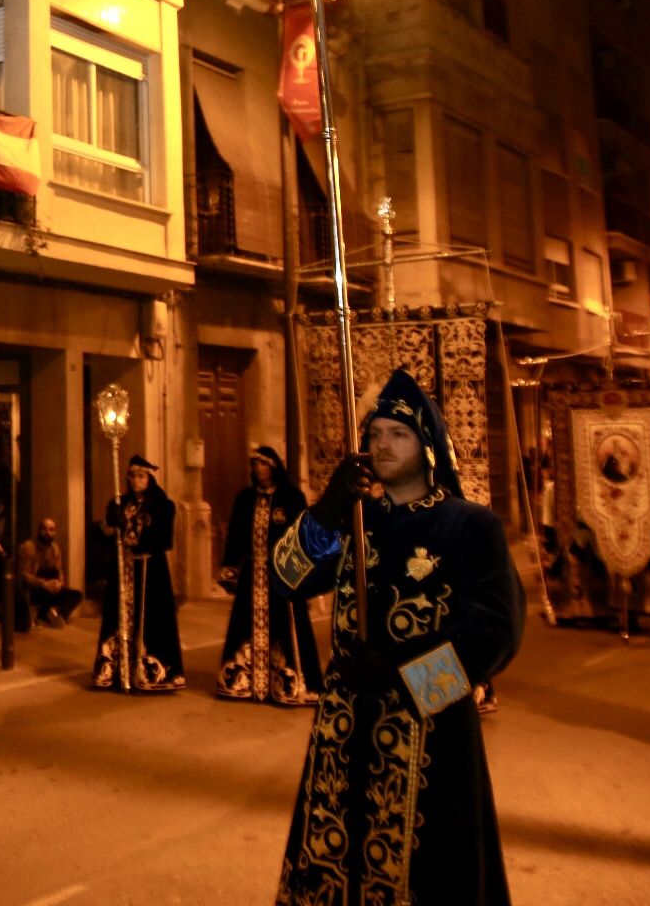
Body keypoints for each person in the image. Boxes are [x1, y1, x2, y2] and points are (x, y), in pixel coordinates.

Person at [270, 368, 523, 905]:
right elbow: (285, 580)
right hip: (343, 728)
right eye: (375, 433)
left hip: (430, 734)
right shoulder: (354, 521)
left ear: (428, 447)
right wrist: (324, 513)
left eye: (398, 434)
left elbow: (495, 634)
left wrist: (403, 678)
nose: (382, 444)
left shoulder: (470, 526)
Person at [216, 446, 320, 705]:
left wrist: (301, 572)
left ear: (274, 467)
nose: (258, 470)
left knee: (286, 625)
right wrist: (230, 569)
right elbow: (236, 538)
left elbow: (301, 536)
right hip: (252, 574)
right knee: (245, 623)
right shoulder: (245, 499)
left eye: (263, 464)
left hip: (281, 574)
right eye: (254, 465)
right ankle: (245, 681)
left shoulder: (292, 498)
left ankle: (286, 683)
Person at [93, 456, 185, 692]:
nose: (136, 481)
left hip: (150, 570)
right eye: (132, 476)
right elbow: (104, 533)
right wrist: (111, 520)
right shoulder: (120, 502)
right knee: (119, 617)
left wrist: (135, 535)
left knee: (153, 619)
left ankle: (153, 670)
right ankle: (117, 669)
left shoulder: (163, 505)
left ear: (150, 478)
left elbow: (163, 538)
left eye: (141, 476)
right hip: (123, 571)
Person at [18, 517, 82, 628]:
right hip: (35, 588)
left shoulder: (55, 548)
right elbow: (23, 574)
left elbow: (59, 570)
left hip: (51, 587)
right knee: (45, 593)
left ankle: (54, 615)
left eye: (51, 530)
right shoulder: (28, 547)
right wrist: (43, 584)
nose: (48, 533)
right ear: (39, 530)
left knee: (76, 595)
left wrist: (60, 584)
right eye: (44, 529)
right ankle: (47, 615)